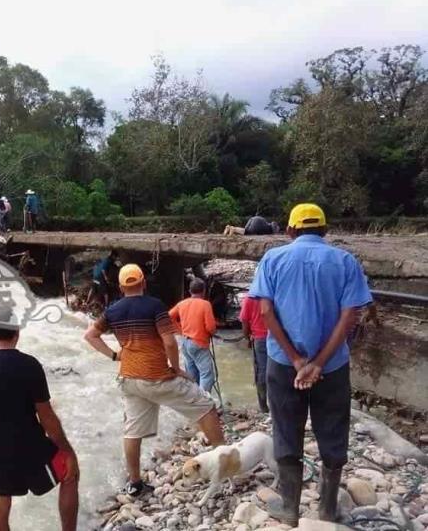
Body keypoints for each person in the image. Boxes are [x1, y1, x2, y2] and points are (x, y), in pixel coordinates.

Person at [249, 203, 372, 526]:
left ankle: (289, 508)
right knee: (332, 430)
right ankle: (328, 509)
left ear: (290, 231)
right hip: (331, 367)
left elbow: (264, 313)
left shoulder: (272, 259)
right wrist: (318, 363)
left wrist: (296, 359)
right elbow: (350, 315)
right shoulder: (345, 261)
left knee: (286, 429)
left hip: (283, 363)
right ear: (325, 231)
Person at [84, 264, 225, 497]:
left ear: (120, 287)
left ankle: (135, 483)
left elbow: (90, 335)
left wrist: (114, 355)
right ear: (144, 283)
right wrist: (177, 369)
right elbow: (169, 342)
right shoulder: (155, 306)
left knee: (132, 431)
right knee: (207, 407)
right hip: (157, 377)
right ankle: (224, 464)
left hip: (129, 379)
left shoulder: (113, 310)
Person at [0, 312, 79, 531]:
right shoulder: (29, 365)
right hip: (31, 451)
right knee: (70, 473)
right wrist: (67, 451)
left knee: (0, 509)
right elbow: (46, 417)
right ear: (17, 333)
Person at [168, 278, 218, 393]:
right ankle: (204, 404)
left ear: (190, 291)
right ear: (204, 291)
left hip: (185, 342)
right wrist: (213, 332)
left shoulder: (182, 303)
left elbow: (169, 316)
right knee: (207, 375)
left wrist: (179, 330)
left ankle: (193, 402)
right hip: (199, 343)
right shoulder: (206, 304)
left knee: (192, 375)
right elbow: (210, 328)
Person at [239, 294, 269, 413]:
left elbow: (245, 322)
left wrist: (247, 338)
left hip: (259, 338)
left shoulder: (249, 299)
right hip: (277, 338)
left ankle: (263, 406)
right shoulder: (274, 295)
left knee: (261, 371)